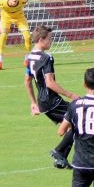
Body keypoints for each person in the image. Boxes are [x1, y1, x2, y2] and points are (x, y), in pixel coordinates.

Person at [24, 24, 78, 169]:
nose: (51, 41)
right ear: (41, 39)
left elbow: (27, 81)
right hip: (52, 100)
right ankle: (59, 151)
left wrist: (33, 103)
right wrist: (71, 94)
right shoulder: (47, 58)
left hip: (43, 102)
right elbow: (49, 83)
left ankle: (62, 159)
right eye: (49, 38)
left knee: (71, 125)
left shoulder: (29, 57)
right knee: (78, 119)